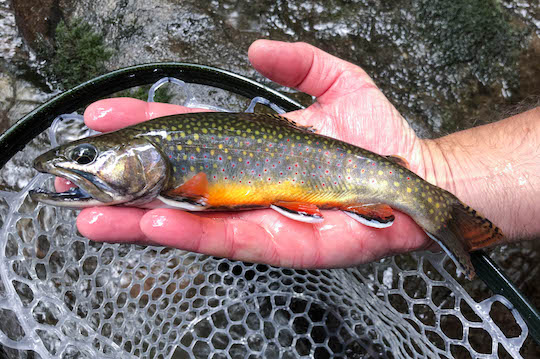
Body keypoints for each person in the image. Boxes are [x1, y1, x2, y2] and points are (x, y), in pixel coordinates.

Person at [60, 40, 539, 269]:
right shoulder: (167, 151)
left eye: (85, 157)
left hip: (337, 178)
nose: (79, 167)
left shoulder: (174, 167)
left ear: (139, 152)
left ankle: (448, 217)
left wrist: (432, 174)